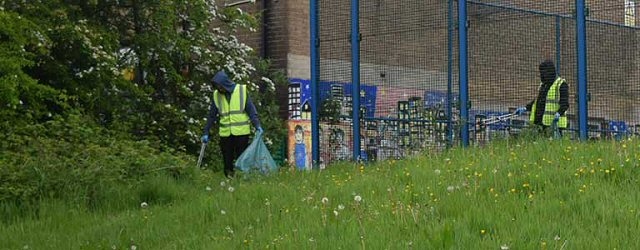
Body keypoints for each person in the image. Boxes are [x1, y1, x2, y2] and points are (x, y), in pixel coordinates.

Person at [201, 70, 263, 178]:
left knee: (242, 159)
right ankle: (229, 179)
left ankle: (242, 180)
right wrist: (206, 131)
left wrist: (257, 125)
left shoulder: (241, 91)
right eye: (217, 87)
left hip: (241, 133)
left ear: (226, 83)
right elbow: (212, 115)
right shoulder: (217, 95)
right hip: (225, 134)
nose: (219, 89)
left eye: (220, 86)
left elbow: (251, 110)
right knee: (227, 160)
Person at [515, 60, 569, 136]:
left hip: (554, 125)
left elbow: (565, 103)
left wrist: (559, 113)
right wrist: (526, 108)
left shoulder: (561, 84)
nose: (542, 75)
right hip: (541, 123)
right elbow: (538, 100)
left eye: (543, 72)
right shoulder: (543, 85)